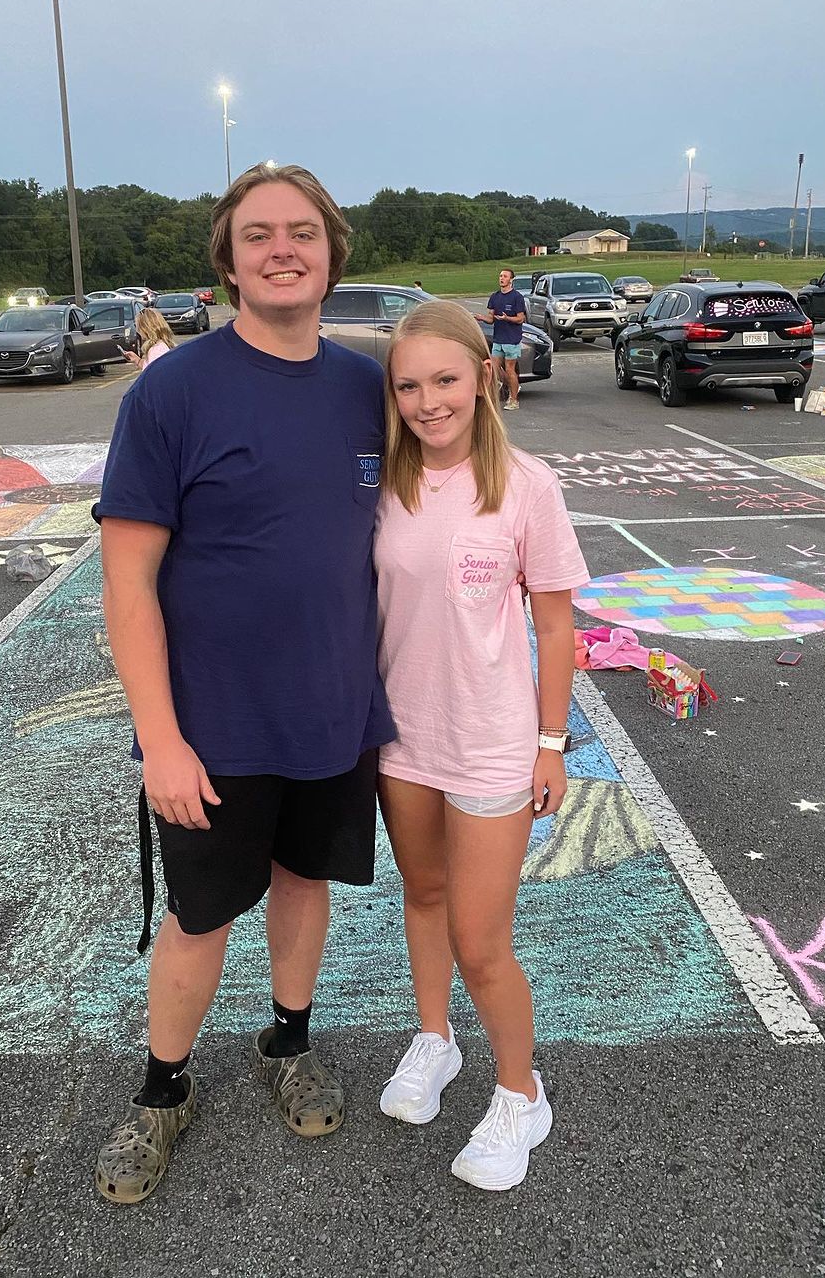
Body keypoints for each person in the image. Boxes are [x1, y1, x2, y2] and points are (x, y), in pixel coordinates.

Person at [92, 163, 395, 1203]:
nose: (282, 250)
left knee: (305, 882)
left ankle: (287, 1041)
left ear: (331, 253)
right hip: (211, 725)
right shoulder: (173, 391)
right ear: (227, 261)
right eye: (257, 234)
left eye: (301, 232)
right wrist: (160, 739)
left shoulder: (367, 388)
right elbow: (127, 581)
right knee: (202, 914)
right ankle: (162, 1089)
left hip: (333, 709)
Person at [373, 300, 589, 1190]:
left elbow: (557, 624)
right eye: (409, 386)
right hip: (402, 739)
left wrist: (551, 744)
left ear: (484, 377)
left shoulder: (527, 485)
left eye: (445, 380)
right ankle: (436, 1038)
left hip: (493, 744)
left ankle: (520, 1093)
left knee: (481, 941)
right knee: (422, 895)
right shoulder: (382, 483)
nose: (428, 402)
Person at [480, 267, 526, 411]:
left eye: (505, 276)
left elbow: (520, 319)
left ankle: (514, 400)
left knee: (510, 369)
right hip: (498, 339)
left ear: (511, 279)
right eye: (500, 276)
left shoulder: (517, 297)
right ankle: (510, 387)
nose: (502, 278)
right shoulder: (495, 296)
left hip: (511, 340)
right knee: (493, 369)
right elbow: (491, 318)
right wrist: (480, 317)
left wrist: (507, 318)